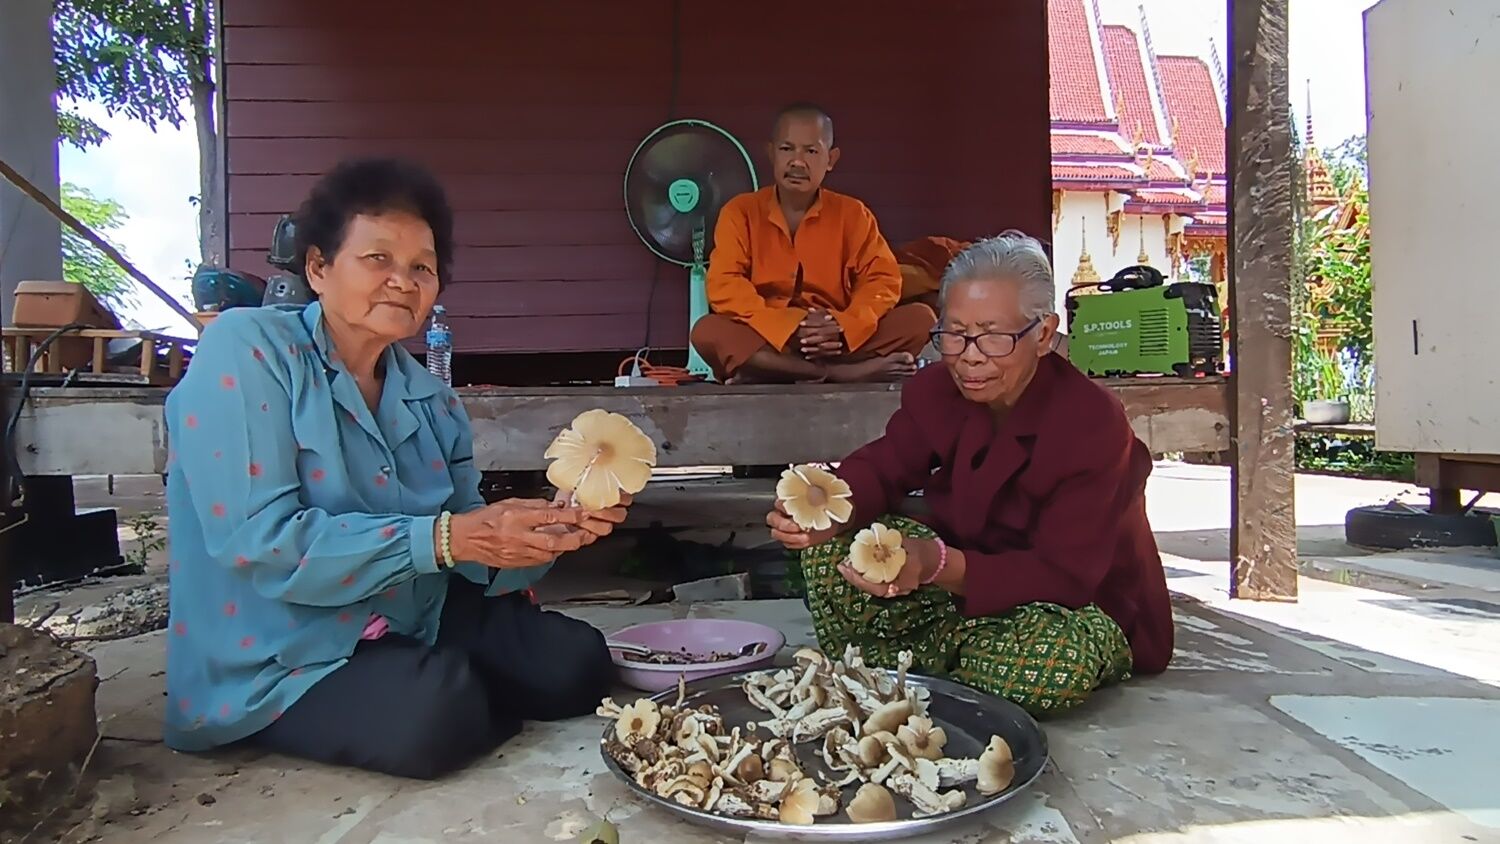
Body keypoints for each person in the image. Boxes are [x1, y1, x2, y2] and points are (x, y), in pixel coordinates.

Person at [161, 158, 625, 779]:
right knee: (437, 711)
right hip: (282, 643)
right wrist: (446, 538)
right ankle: (424, 682)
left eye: (421, 268)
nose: (402, 282)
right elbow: (257, 540)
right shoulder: (248, 351)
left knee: (579, 665)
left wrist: (546, 532)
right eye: (377, 259)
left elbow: (468, 543)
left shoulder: (431, 399)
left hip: (413, 612)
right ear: (319, 267)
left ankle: (434, 672)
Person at [766, 230, 1173, 716]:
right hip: (963, 586)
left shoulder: (1092, 424)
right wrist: (829, 506)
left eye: (994, 336)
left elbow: (1064, 575)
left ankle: (908, 660)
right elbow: (887, 462)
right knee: (834, 547)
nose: (970, 355)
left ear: (1043, 334)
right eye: (954, 334)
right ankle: (954, 659)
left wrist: (936, 564)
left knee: (1057, 666)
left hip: (1069, 607)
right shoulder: (937, 389)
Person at [690, 103, 937, 383]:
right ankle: (842, 374)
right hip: (769, 335)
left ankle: (771, 372)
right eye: (787, 149)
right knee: (708, 331)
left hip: (836, 341)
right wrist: (788, 326)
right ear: (771, 153)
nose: (797, 162)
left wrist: (842, 325)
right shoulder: (741, 212)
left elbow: (882, 281)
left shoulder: (853, 214)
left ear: (831, 159)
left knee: (921, 320)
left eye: (811, 151)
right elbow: (725, 284)